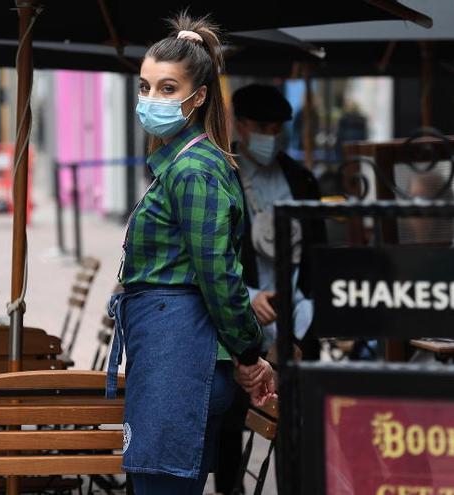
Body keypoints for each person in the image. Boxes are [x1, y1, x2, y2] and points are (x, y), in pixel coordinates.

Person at [106, 13, 275, 494]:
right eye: (144, 87)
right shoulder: (179, 164)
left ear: (197, 97)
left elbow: (219, 275)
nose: (150, 100)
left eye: (166, 89)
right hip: (169, 352)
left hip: (180, 356)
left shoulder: (194, 170)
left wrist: (249, 353)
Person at [216, 84, 328, 494]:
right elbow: (209, 256)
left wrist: (304, 322)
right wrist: (246, 297)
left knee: (296, 428)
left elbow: (318, 256)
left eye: (277, 127)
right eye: (262, 125)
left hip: (296, 324)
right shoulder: (218, 175)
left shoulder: (300, 178)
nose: (271, 135)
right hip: (239, 324)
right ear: (239, 125)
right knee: (231, 425)